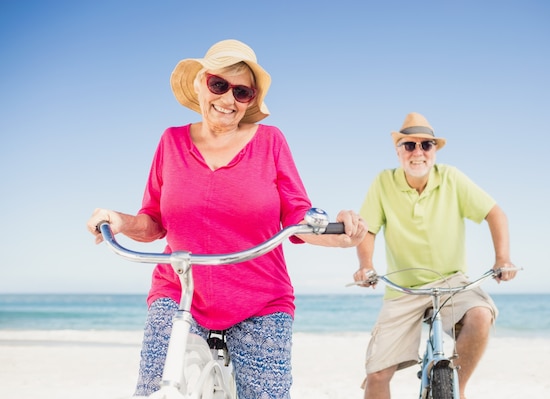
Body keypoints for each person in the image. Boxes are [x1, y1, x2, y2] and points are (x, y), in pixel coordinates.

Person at [87, 39, 367, 399]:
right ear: (200, 84)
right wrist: (119, 220)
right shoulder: (171, 142)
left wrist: (339, 232)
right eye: (219, 85)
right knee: (155, 389)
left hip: (260, 299)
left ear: (250, 100)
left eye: (242, 92)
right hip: (181, 291)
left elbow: (298, 216)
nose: (227, 99)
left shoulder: (270, 142)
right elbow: (154, 221)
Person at [352, 112, 517, 399]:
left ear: (435, 150)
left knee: (480, 314)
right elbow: (368, 230)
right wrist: (366, 266)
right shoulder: (383, 182)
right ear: (398, 150)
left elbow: (494, 213)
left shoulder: (451, 178)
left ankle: (457, 388)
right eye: (409, 145)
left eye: (426, 145)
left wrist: (502, 258)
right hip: (404, 289)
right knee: (377, 375)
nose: (418, 152)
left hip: (452, 281)